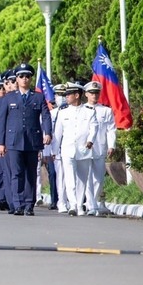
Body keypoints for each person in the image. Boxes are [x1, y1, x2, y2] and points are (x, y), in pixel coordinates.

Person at [0, 62, 53, 215]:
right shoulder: (9, 98)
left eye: (27, 76)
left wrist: (48, 132)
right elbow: (1, 121)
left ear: (31, 78)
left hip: (32, 141)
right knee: (17, 173)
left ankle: (29, 205)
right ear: (17, 79)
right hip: (13, 141)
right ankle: (18, 204)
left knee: (31, 174)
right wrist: (1, 143)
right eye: (21, 76)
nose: (24, 79)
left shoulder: (38, 97)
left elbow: (46, 116)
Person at [52, 81, 96, 215]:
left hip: (84, 150)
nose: (66, 97)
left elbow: (94, 127)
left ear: (77, 95)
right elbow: (57, 133)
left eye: (69, 94)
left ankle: (80, 206)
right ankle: (72, 205)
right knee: (69, 178)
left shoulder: (89, 111)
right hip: (67, 150)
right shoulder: (63, 112)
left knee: (82, 179)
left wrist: (90, 141)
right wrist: (54, 151)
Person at [83, 80, 117, 216]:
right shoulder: (81, 110)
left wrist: (111, 145)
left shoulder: (106, 110)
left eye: (96, 93)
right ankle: (91, 205)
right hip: (85, 149)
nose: (94, 95)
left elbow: (111, 129)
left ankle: (93, 202)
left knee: (99, 178)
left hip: (99, 148)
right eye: (91, 93)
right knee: (87, 178)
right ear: (86, 94)